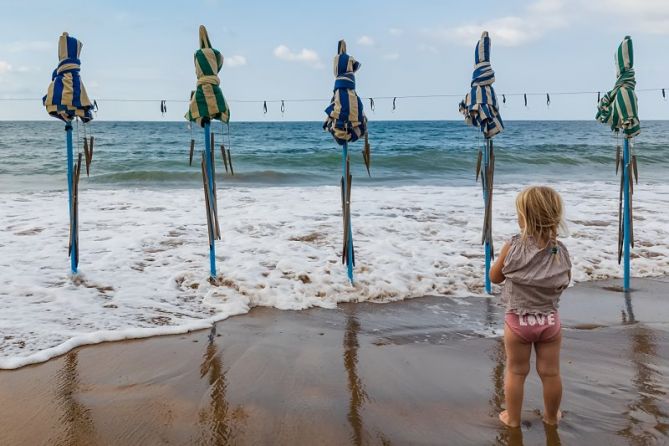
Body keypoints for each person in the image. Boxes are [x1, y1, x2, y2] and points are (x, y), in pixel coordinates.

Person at [490, 186, 572, 428]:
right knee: (551, 373)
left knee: (516, 372)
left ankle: (512, 419)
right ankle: (550, 416)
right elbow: (564, 281)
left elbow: (495, 277)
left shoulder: (513, 246)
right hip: (549, 322)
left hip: (518, 323)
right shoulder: (560, 250)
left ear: (523, 217)